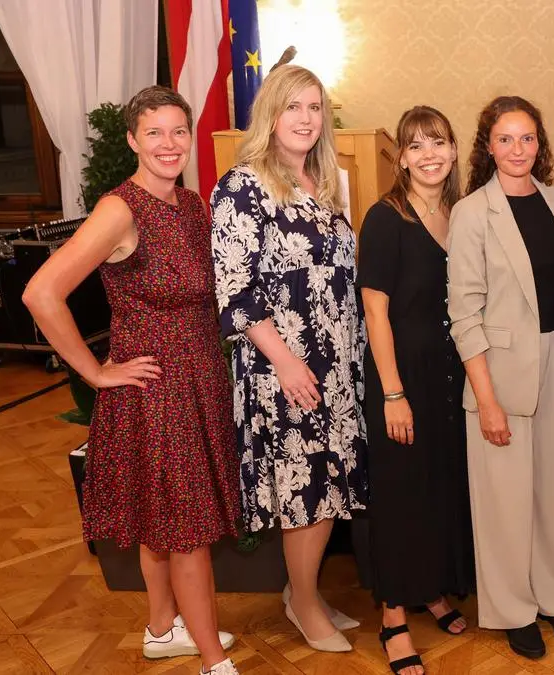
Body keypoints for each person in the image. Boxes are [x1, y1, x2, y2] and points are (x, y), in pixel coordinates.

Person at [23, 86, 241, 675]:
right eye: (154, 133)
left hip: (198, 381)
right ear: (132, 140)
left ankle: (163, 628)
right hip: (154, 391)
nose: (168, 144)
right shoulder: (121, 208)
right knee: (188, 529)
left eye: (178, 131)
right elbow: (41, 293)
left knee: (161, 519)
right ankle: (214, 662)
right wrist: (95, 372)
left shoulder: (192, 204)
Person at [211, 65, 366, 654]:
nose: (305, 119)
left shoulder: (325, 185)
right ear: (270, 116)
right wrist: (287, 362)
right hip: (285, 368)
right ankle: (302, 602)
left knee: (327, 482)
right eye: (292, 107)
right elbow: (237, 291)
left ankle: (305, 592)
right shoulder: (242, 186)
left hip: (334, 364)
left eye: (315, 107)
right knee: (304, 488)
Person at [447, 95, 554, 659]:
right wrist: (487, 401)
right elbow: (464, 313)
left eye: (527, 138)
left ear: (540, 144)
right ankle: (512, 607)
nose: (517, 149)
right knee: (505, 500)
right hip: (498, 373)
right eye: (505, 139)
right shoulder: (472, 211)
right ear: (487, 147)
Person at [357, 105, 475, 674]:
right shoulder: (386, 218)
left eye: (440, 143)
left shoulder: (462, 214)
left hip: (451, 372)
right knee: (403, 492)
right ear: (400, 157)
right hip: (401, 373)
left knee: (440, 483)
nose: (430, 154)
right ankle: (394, 616)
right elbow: (374, 311)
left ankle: (432, 589)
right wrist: (392, 393)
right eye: (417, 145)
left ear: (453, 152)